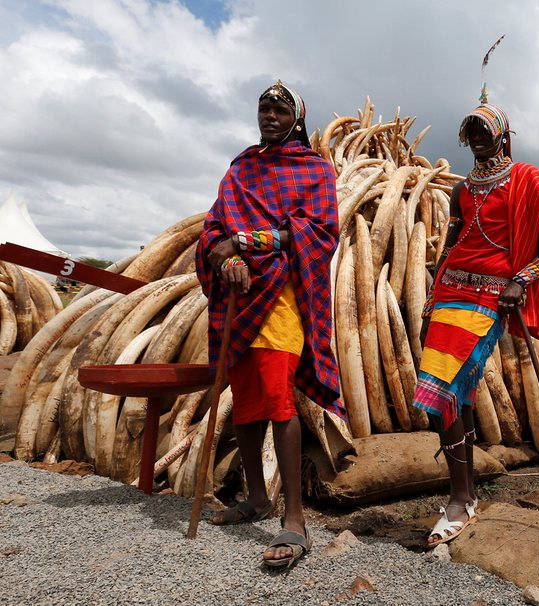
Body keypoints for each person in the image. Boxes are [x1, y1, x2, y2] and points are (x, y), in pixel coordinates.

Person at [414, 91, 539, 546]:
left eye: (485, 131)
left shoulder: (528, 179)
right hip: (450, 293)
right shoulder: (462, 189)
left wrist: (522, 280)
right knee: (447, 396)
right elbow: (452, 243)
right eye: (472, 133)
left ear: (503, 135)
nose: (478, 139)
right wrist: (431, 296)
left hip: (489, 299)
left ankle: (460, 500)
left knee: (445, 389)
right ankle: (463, 495)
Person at [195, 80, 341, 568]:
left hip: (281, 297)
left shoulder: (315, 169)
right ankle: (258, 499)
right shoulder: (240, 168)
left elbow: (317, 232)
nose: (269, 117)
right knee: (247, 401)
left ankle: (295, 518)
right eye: (263, 109)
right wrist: (223, 255)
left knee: (279, 398)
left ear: (297, 118)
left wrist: (245, 242)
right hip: (236, 298)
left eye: (280, 110)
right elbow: (214, 229)